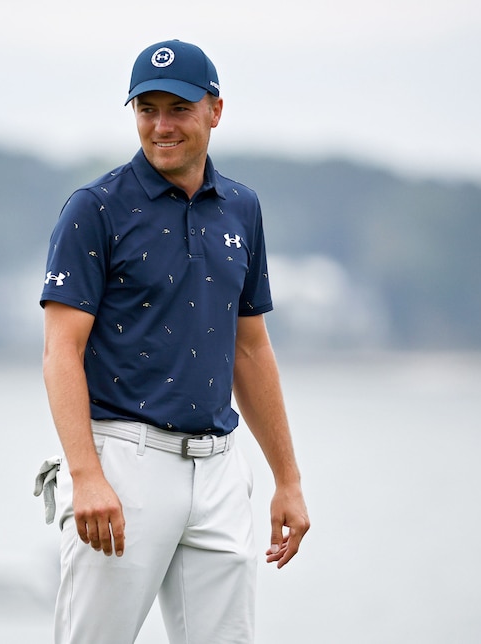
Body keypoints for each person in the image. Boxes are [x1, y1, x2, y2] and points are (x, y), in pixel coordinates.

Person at [39, 39, 309, 644]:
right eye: (147, 109)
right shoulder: (95, 208)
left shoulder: (242, 207)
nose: (160, 126)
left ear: (215, 110)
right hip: (122, 464)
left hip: (219, 469)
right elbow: (61, 352)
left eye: (178, 109)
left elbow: (251, 349)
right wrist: (85, 475)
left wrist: (287, 479)